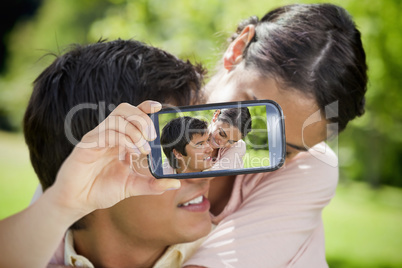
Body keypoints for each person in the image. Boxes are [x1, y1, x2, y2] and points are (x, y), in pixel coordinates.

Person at [0, 39, 213, 268]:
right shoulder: (31, 248)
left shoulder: (236, 246)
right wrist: (63, 203)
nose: (204, 175)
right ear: (98, 168)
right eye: (166, 154)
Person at [183, 3, 367, 267]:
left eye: (285, 150)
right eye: (255, 114)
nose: (242, 144)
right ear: (236, 51)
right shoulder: (147, 132)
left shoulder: (309, 168)